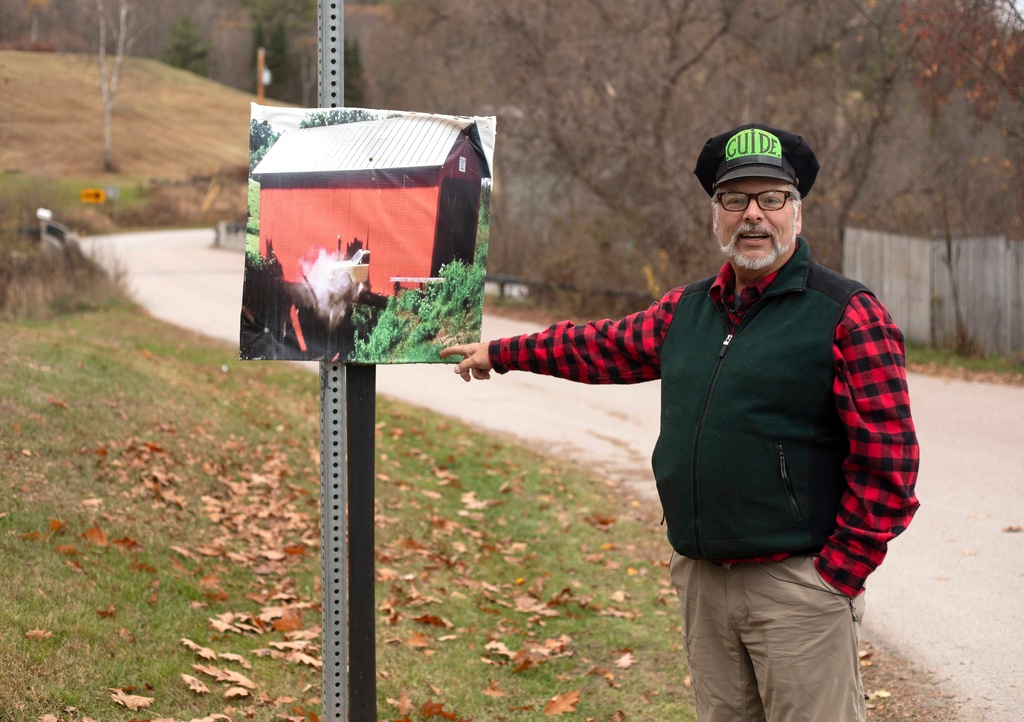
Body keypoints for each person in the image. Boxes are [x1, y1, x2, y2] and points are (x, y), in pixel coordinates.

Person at [440, 123, 920, 722]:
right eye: (734, 200)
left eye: (771, 199)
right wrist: (502, 354)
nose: (753, 216)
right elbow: (600, 347)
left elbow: (891, 467)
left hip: (799, 589)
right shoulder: (689, 309)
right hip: (703, 582)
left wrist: (835, 576)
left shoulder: (847, 314)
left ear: (796, 212)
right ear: (714, 214)